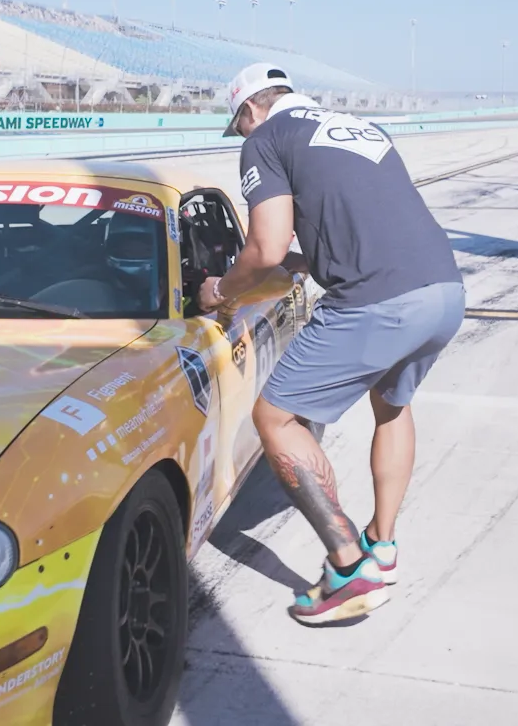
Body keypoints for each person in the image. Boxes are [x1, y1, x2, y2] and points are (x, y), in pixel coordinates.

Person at [198, 63, 465, 624]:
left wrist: (222, 290)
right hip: (443, 290)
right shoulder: (358, 128)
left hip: (378, 299)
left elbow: (266, 247)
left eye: (240, 126)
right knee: (392, 406)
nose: (242, 137)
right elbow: (363, 216)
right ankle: (383, 548)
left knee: (275, 417)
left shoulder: (267, 139)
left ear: (250, 110)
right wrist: (313, 258)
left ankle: (348, 568)